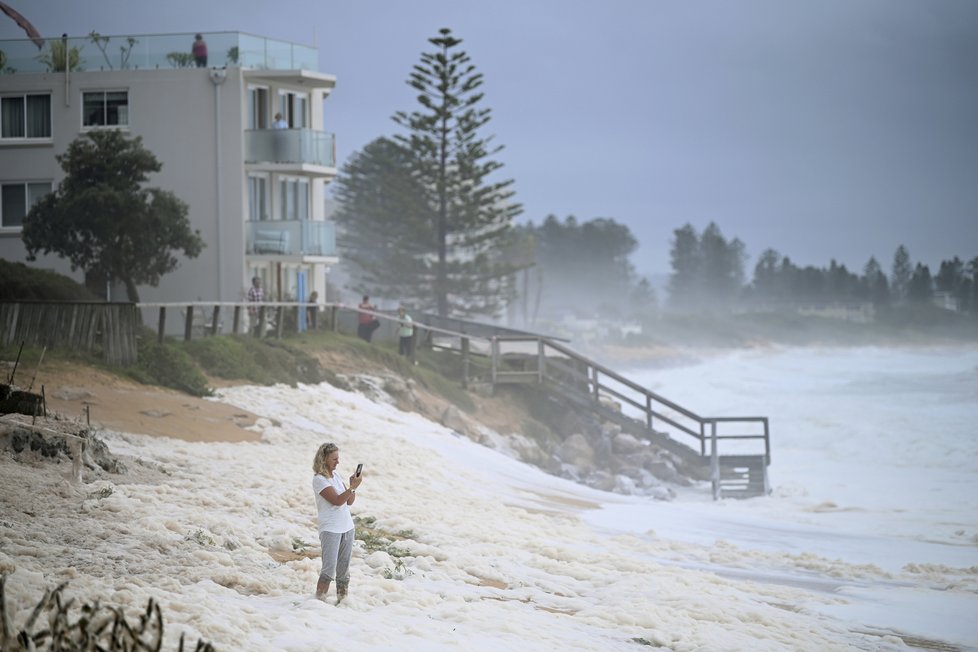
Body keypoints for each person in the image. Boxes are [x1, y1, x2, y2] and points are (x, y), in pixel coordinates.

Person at [312, 442, 362, 604]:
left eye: (338, 458)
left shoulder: (337, 476)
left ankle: (342, 604)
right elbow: (337, 501)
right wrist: (351, 487)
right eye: (334, 459)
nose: (337, 462)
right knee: (328, 570)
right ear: (324, 459)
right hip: (330, 529)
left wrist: (352, 487)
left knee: (343, 572)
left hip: (347, 527)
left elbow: (349, 502)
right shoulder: (319, 480)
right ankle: (318, 604)